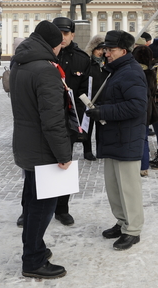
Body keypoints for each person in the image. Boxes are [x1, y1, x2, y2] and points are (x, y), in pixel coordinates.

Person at [10, 20, 73, 279]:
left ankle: (35, 248)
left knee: (33, 202)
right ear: (52, 45)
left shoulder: (21, 64)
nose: (59, 51)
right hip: (42, 148)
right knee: (42, 207)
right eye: (58, 46)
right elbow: (52, 119)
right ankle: (33, 260)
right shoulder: (45, 70)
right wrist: (63, 154)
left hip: (26, 144)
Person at [86, 30, 147, 251]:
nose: (105, 53)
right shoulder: (115, 71)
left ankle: (133, 230)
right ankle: (122, 222)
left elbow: (137, 106)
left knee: (128, 187)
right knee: (114, 187)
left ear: (123, 51)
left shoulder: (130, 72)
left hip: (126, 138)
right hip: (113, 137)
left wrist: (103, 112)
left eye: (110, 50)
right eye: (105, 49)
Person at [50, 17, 91, 226]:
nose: (62, 37)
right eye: (58, 33)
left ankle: (62, 209)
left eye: (66, 33)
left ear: (72, 35)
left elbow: (85, 94)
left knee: (64, 164)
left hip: (67, 122)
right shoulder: (44, 56)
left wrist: (82, 123)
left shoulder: (82, 59)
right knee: (38, 165)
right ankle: (29, 205)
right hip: (46, 120)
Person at [134, 45, 158, 177]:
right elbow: (154, 90)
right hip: (147, 108)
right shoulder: (150, 73)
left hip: (135, 108)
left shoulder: (133, 72)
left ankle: (136, 165)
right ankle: (144, 167)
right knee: (144, 138)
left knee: (135, 138)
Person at [84, 34, 108, 158]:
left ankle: (100, 150)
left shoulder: (107, 64)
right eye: (98, 49)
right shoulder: (88, 63)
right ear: (92, 49)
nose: (100, 52)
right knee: (88, 127)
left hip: (103, 99)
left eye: (103, 49)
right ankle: (87, 150)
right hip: (89, 99)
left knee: (102, 128)